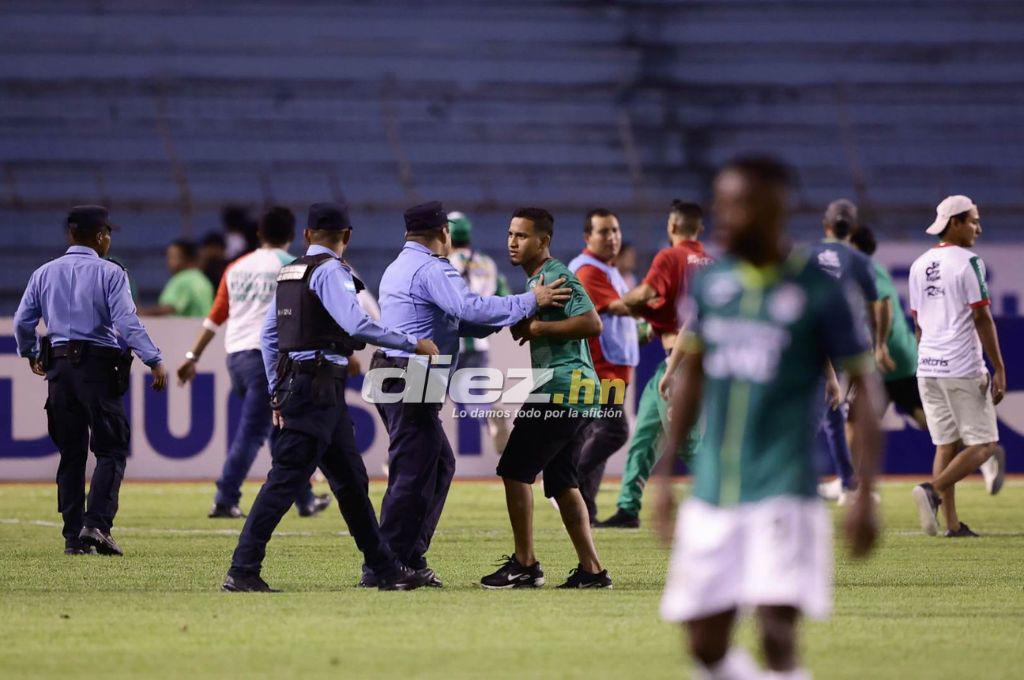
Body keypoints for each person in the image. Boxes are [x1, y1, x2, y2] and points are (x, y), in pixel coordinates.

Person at [652, 156, 882, 679]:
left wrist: (864, 493)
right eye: (721, 203)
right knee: (704, 646)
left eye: (739, 204)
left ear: (776, 208)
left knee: (777, 636)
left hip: (784, 490)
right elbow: (695, 376)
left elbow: (866, 389)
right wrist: (664, 476)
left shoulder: (819, 289)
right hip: (713, 490)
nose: (725, 215)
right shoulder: (713, 284)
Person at [222, 202, 440, 593]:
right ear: (348, 236)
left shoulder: (291, 272)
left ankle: (384, 568)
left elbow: (268, 337)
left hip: (306, 389)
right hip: (317, 389)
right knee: (286, 479)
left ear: (307, 235)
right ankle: (242, 569)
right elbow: (356, 324)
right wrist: (412, 342)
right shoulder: (332, 272)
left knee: (352, 482)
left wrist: (276, 389)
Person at [364, 201, 570, 588]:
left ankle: (408, 557)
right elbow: (469, 307)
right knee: (414, 472)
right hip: (410, 375)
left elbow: (454, 320)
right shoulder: (433, 268)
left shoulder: (400, 265)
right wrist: (531, 301)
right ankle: (386, 565)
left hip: (394, 372)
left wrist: (506, 319)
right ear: (442, 233)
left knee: (437, 464)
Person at [13, 206, 168, 556]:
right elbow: (126, 322)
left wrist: (31, 352)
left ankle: (73, 538)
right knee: (111, 447)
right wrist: (153, 358)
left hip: (58, 367)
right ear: (100, 237)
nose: (109, 239)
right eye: (108, 233)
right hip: (97, 367)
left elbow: (23, 321)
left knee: (71, 453)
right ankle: (97, 525)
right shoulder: (111, 272)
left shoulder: (43, 273)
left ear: (71, 235)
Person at [481, 207, 613, 589]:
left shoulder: (557, 275)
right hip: (574, 391)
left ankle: (525, 564)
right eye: (510, 234)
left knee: (514, 470)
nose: (512, 242)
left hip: (561, 389)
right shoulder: (536, 281)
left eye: (522, 236)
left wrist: (537, 327)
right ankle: (592, 571)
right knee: (562, 481)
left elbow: (592, 322)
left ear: (544, 241)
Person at [177, 207, 329, 519]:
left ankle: (305, 499)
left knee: (279, 429)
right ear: (294, 235)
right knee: (255, 432)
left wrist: (192, 357)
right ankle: (225, 498)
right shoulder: (293, 266)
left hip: (236, 359)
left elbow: (215, 317)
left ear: (259, 234)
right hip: (267, 359)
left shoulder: (236, 267)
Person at [597, 200, 713, 529]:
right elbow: (679, 309)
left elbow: (646, 292)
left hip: (681, 362)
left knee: (688, 442)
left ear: (672, 226)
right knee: (644, 437)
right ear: (700, 229)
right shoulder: (713, 263)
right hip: (690, 360)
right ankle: (627, 508)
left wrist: (618, 304)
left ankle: (728, 503)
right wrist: (653, 323)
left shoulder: (670, 256)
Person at [909, 196, 1007, 537]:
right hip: (961, 366)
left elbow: (918, 323)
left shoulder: (919, 265)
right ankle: (932, 490)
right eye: (974, 221)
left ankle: (951, 525)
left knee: (946, 444)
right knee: (985, 445)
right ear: (955, 223)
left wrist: (925, 360)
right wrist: (999, 367)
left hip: (928, 366)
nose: (979, 228)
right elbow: (982, 317)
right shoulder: (969, 262)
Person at [807, 200, 883, 504]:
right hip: (842, 351)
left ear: (825, 225)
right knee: (822, 418)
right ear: (851, 229)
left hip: (807, 349)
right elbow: (873, 308)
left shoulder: (805, 257)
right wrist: (877, 344)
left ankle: (847, 483)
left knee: (832, 417)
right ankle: (800, 483)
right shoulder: (859, 261)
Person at [568, 208, 639, 523]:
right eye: (604, 231)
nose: (612, 237)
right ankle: (565, 480)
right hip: (597, 367)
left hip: (610, 366)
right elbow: (619, 307)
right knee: (614, 431)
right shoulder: (588, 270)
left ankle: (586, 512)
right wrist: (660, 301)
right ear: (588, 237)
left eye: (615, 230)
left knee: (596, 435)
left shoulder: (607, 269)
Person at [848, 225, 928, 430]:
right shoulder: (872, 269)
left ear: (854, 245)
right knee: (926, 420)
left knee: (855, 425)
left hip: (886, 356)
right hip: (901, 358)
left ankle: (976, 443)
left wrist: (880, 345)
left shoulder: (865, 269)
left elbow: (885, 304)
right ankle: (974, 445)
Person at [446, 210, 513, 454]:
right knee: (475, 397)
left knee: (426, 400)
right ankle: (489, 412)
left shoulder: (443, 263)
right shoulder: (487, 263)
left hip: (449, 342)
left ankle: (403, 456)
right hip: (479, 342)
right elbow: (504, 296)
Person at [139, 239, 214, 317]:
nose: (168, 261)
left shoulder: (183, 279)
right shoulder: (203, 279)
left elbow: (169, 308)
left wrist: (141, 313)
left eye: (173, 257)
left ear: (187, 258)